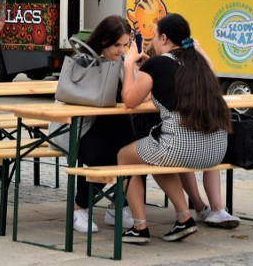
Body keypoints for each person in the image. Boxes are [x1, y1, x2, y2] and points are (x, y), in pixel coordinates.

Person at [118, 13, 232, 244]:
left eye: (154, 35)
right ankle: (183, 218)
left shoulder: (156, 64)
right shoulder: (199, 61)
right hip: (217, 150)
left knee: (124, 156)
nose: (151, 41)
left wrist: (130, 63)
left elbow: (129, 100)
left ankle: (139, 227)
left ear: (164, 38)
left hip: (181, 147)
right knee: (157, 154)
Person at [51, 15, 137, 233]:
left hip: (108, 133)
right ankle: (79, 208)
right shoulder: (82, 62)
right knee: (111, 156)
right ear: (103, 41)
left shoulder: (121, 62)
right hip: (78, 131)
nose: (120, 50)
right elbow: (66, 100)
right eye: (117, 45)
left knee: (140, 150)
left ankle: (119, 204)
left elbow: (132, 95)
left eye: (124, 45)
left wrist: (129, 67)